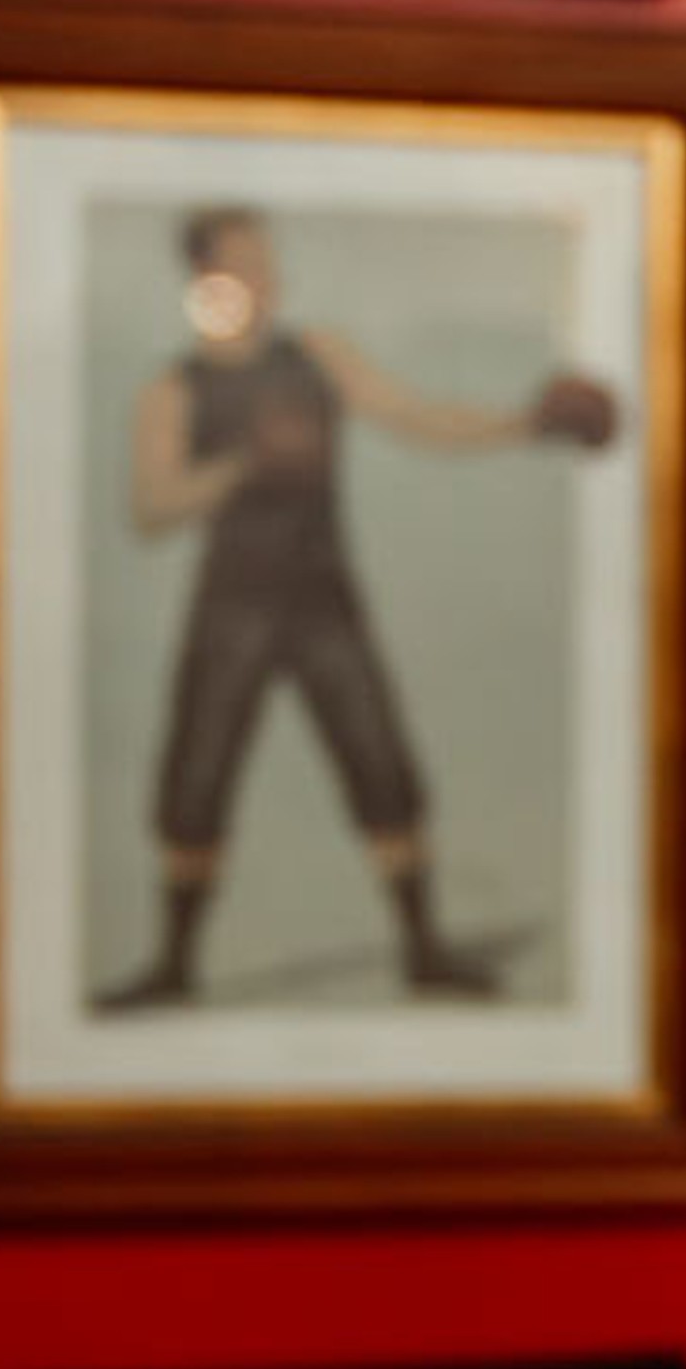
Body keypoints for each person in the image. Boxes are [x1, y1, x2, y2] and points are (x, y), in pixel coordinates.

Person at [102, 208, 619, 1012]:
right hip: (232, 608)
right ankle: (175, 966)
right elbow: (151, 506)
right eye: (247, 263)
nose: (266, 277)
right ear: (207, 278)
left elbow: (416, 417)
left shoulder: (317, 354)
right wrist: (242, 463)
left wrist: (523, 424)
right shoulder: (174, 388)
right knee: (196, 779)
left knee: (381, 764)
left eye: (267, 261)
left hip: (323, 600)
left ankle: (424, 950)